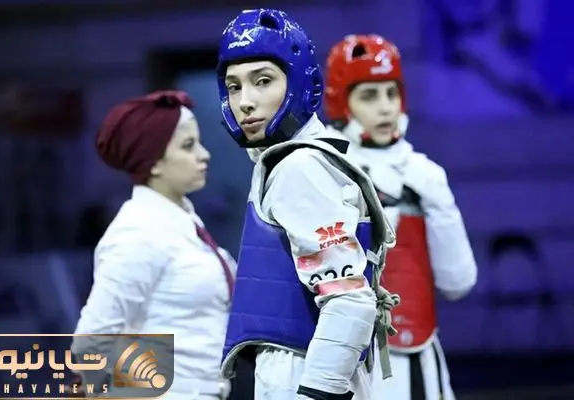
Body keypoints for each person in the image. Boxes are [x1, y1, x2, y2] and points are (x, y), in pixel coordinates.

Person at [216, 9, 400, 400]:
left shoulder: (299, 167)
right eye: (234, 86)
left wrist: (317, 393)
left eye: (263, 81)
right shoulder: (295, 160)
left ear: (299, 82)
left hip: (302, 372)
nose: (245, 101)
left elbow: (349, 300)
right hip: (303, 367)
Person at [324, 34, 478, 400]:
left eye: (391, 93)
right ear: (342, 102)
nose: (385, 108)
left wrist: (438, 203)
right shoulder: (323, 167)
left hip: (416, 356)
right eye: (369, 96)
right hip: (340, 358)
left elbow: (458, 282)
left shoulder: (424, 175)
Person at [70, 90, 235, 400]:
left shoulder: (183, 219)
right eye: (188, 146)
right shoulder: (138, 231)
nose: (204, 155)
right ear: (154, 161)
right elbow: (91, 343)